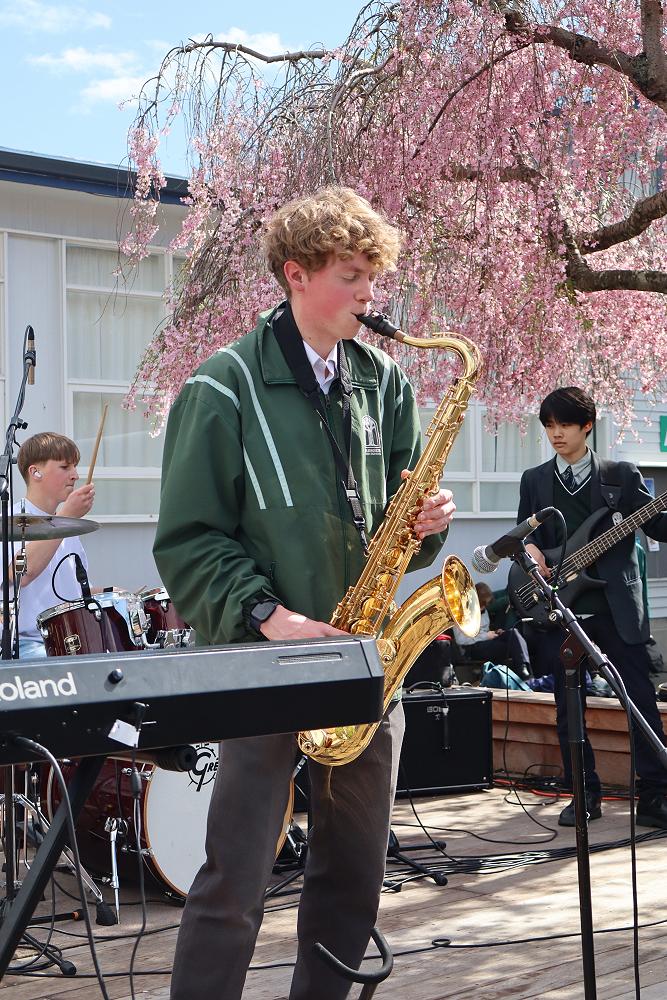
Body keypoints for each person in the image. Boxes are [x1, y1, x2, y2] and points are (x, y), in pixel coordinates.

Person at [153, 186, 456, 1000]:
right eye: (351, 276)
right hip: (265, 664)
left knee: (353, 877)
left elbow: (403, 521)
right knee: (234, 881)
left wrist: (427, 520)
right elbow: (189, 538)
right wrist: (266, 615)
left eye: (372, 276)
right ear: (296, 274)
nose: (369, 294)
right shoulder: (220, 386)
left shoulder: (384, 382)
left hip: (364, 661)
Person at [518, 387, 667, 828]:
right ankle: (584, 795)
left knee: (638, 701)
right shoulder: (534, 479)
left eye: (564, 424)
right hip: (562, 610)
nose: (556, 433)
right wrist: (532, 553)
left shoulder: (621, 475)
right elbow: (524, 534)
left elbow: (658, 525)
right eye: (549, 425)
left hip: (616, 610)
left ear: (587, 425)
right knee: (569, 709)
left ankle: (655, 795)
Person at [4, 432, 94, 659]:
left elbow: (74, 592)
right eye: (65, 467)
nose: (75, 475)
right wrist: (66, 517)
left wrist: (113, 594)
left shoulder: (68, 525)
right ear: (35, 472)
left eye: (75, 467)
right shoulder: (10, 522)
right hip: (27, 643)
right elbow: (21, 574)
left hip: (69, 639)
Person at [453, 582, 531, 678]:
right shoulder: (461, 614)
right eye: (482, 604)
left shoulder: (483, 610)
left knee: (513, 632)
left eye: (487, 604)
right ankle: (522, 673)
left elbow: (484, 631)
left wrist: (495, 632)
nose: (484, 607)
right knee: (511, 646)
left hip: (485, 642)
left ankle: (524, 668)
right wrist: (486, 636)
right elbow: (461, 640)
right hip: (471, 648)